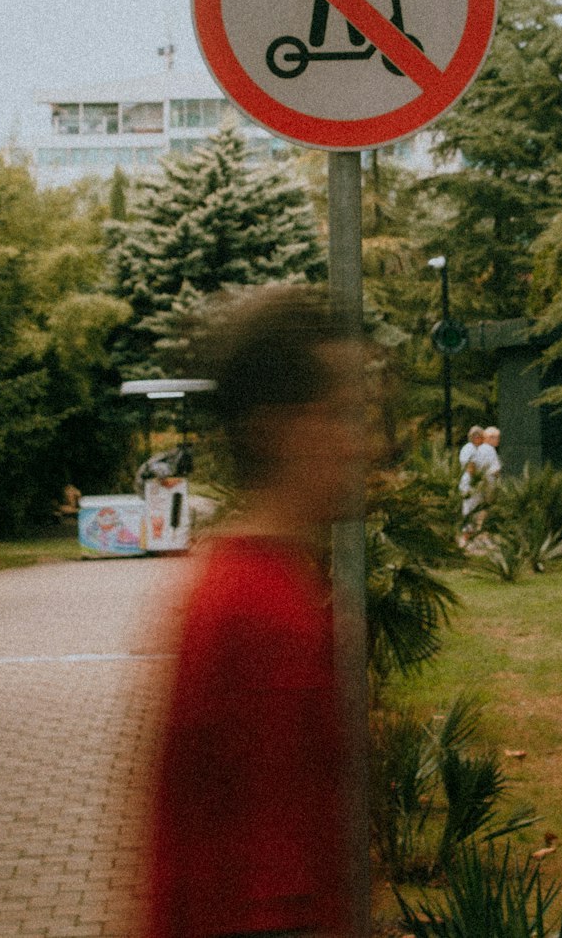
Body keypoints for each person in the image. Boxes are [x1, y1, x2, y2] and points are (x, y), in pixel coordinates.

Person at [142, 287, 368, 938]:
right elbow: (272, 900)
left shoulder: (247, 583)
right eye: (341, 414)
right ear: (278, 429)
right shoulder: (266, 615)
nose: (361, 444)